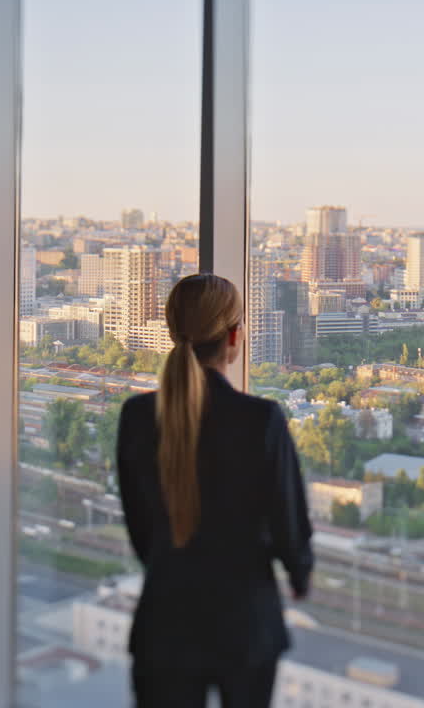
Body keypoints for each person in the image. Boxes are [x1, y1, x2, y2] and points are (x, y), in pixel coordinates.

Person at [116, 273, 314, 708]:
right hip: (245, 622)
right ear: (234, 335)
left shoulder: (136, 416)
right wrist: (299, 573)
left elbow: (141, 528)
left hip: (165, 621)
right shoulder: (260, 419)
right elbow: (288, 517)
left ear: (171, 332)